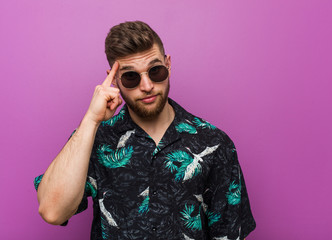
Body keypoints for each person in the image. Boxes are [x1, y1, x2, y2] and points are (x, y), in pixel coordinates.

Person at [34, 21, 256, 240]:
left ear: (168, 64)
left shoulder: (214, 143)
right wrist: (91, 120)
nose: (147, 85)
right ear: (114, 79)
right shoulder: (96, 138)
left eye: (155, 71)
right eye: (131, 77)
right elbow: (53, 211)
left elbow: (229, 233)